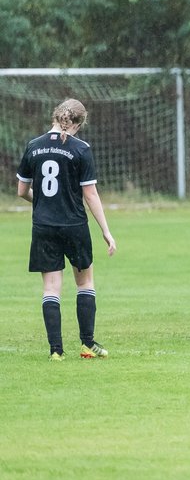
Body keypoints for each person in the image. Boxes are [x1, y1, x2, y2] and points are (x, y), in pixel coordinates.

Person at [16, 99, 117, 360]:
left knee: (51, 289)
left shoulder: (33, 146)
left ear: (56, 117)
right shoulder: (81, 149)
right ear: (79, 123)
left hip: (43, 226)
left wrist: (41, 202)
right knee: (85, 283)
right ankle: (87, 344)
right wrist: (106, 230)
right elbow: (90, 193)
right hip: (74, 226)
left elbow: (21, 191)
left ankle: (56, 351)